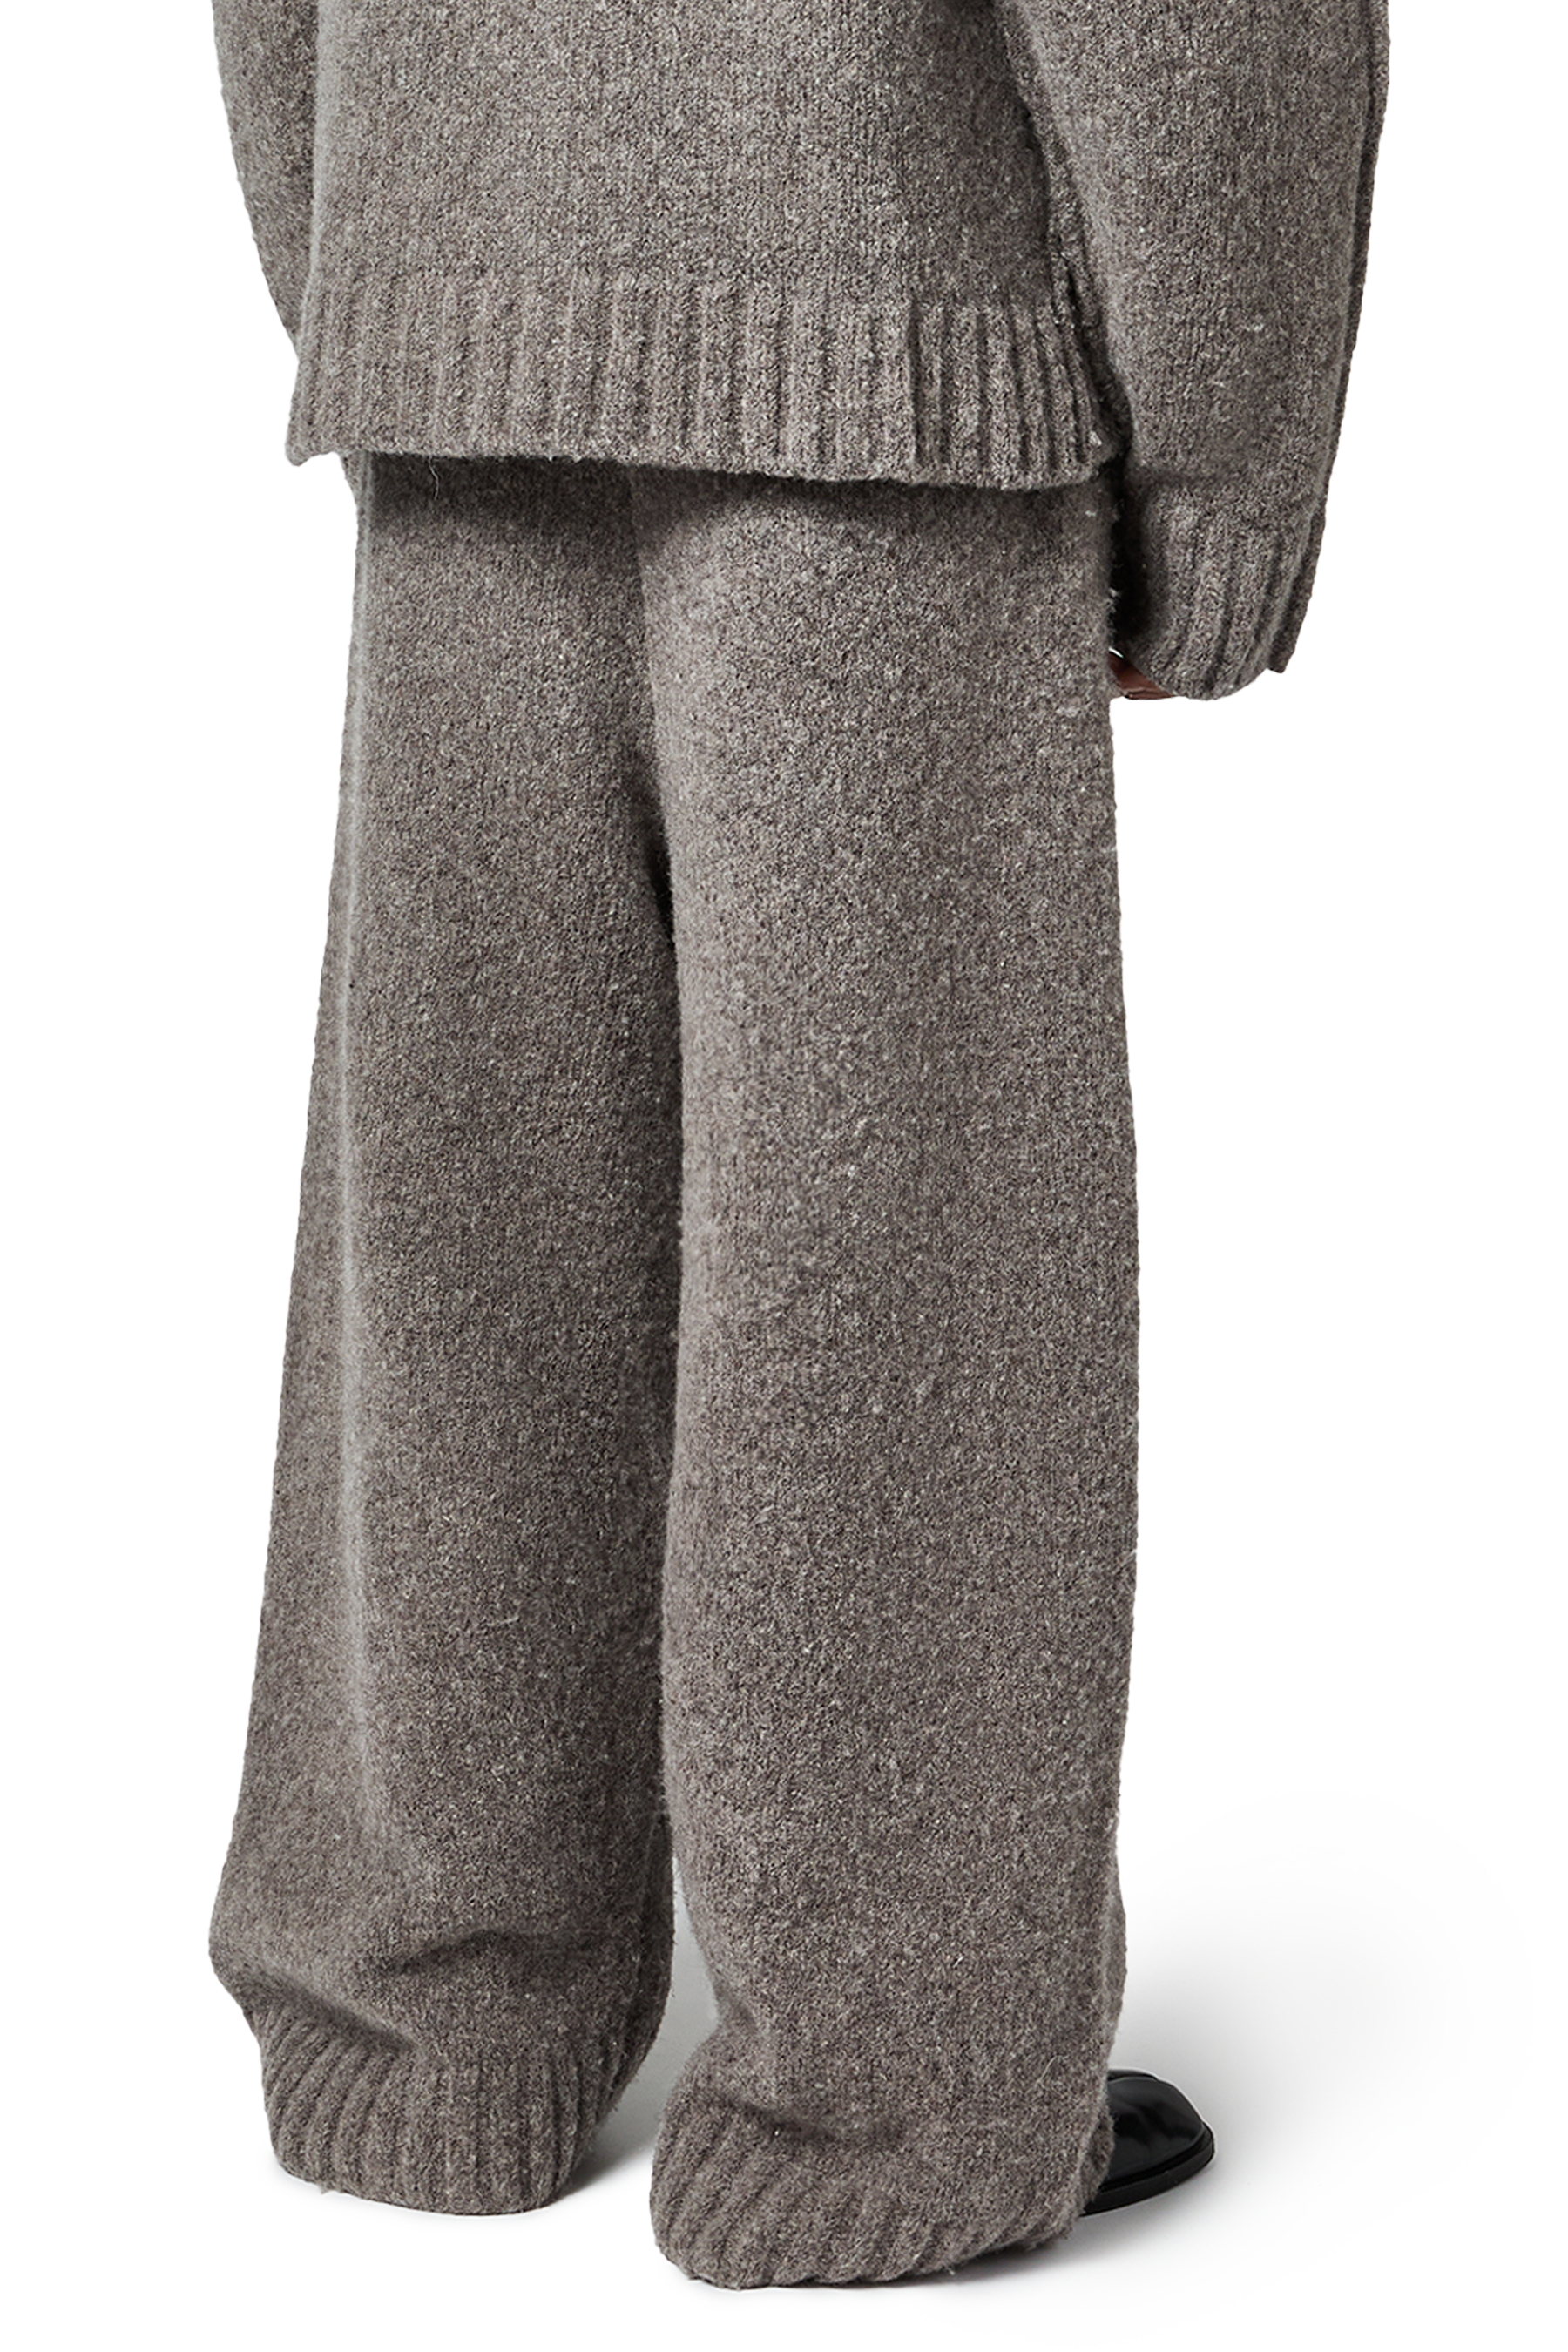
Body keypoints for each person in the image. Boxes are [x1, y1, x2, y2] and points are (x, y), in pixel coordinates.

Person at [206, 0, 1389, 2291]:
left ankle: (429, 2038)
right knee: (893, 1276)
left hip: (452, 314)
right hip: (885, 352)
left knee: (464, 1232)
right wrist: (1223, 466)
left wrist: (388, 261)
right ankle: (886, 2112)